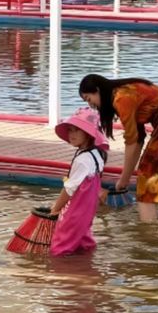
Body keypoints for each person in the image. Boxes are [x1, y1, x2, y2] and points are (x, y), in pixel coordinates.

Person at [79, 73, 158, 222]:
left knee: (146, 182)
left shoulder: (121, 98)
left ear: (97, 90)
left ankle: (149, 234)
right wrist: (125, 176)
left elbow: (131, 141)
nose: (90, 104)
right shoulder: (127, 89)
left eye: (88, 99)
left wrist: (124, 179)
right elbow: (138, 140)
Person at [49, 107, 109, 256]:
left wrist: (56, 209)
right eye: (70, 130)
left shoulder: (82, 160)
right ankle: (87, 265)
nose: (71, 134)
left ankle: (63, 272)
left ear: (88, 134)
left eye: (76, 130)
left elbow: (69, 189)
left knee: (60, 247)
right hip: (87, 212)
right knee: (83, 241)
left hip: (76, 212)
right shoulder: (96, 154)